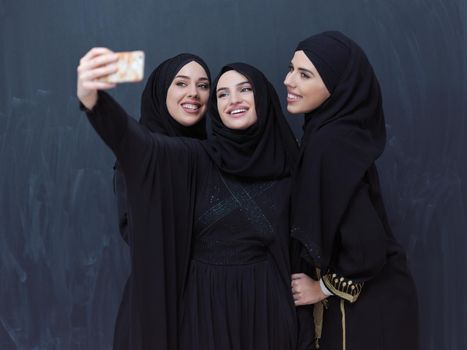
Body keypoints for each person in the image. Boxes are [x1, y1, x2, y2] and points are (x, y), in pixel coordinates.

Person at [77, 49, 299, 349]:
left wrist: (325, 287)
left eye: (245, 89)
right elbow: (138, 145)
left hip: (265, 310)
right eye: (223, 93)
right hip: (201, 309)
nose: (234, 100)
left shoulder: (290, 164)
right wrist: (93, 100)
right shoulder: (194, 157)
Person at [284, 31, 420, 349]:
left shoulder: (328, 144)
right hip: (383, 303)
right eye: (291, 69)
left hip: (365, 310)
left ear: (337, 87)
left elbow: (366, 247)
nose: (289, 81)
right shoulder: (337, 133)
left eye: (305, 75)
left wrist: (323, 288)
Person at [107, 52, 212, 349]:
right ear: (161, 90)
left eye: (203, 85)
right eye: (181, 83)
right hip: (157, 297)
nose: (193, 92)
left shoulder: (216, 156)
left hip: (211, 302)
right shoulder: (139, 157)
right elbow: (134, 230)